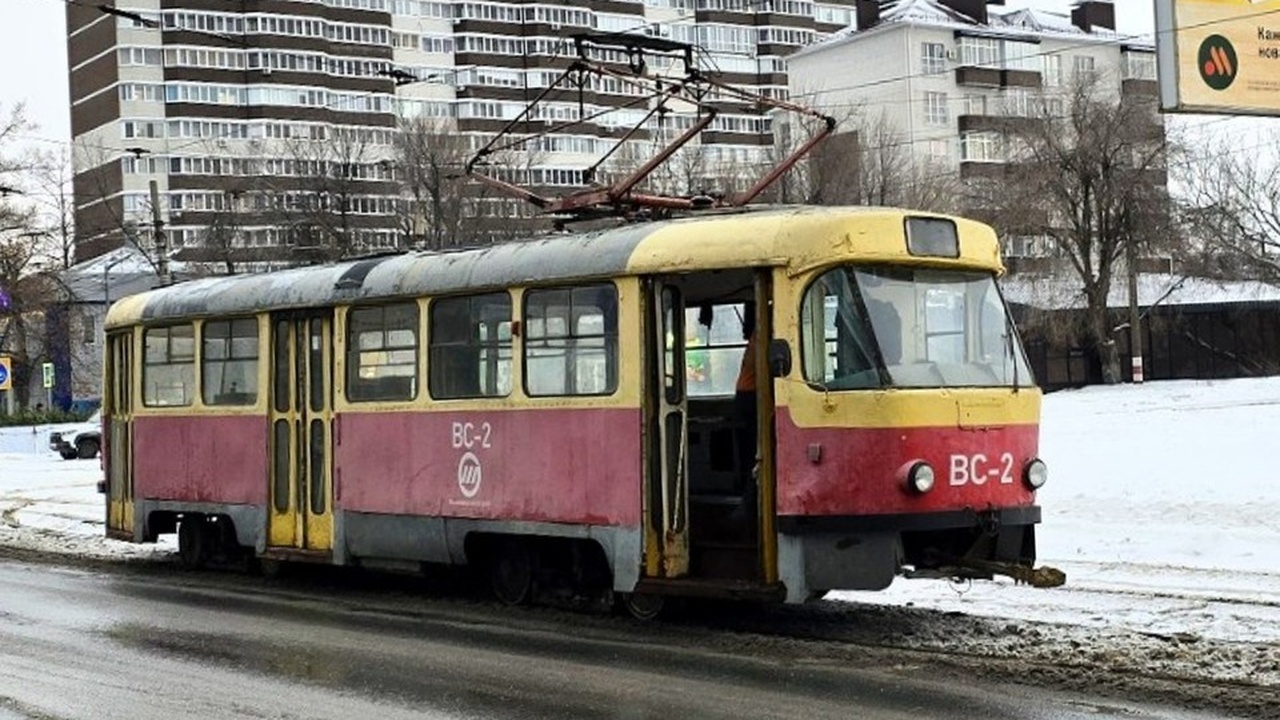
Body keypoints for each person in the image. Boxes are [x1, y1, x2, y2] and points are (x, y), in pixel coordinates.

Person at [734, 305, 758, 491]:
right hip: (751, 397)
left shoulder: (754, 340)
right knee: (753, 450)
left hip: (745, 396)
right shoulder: (760, 341)